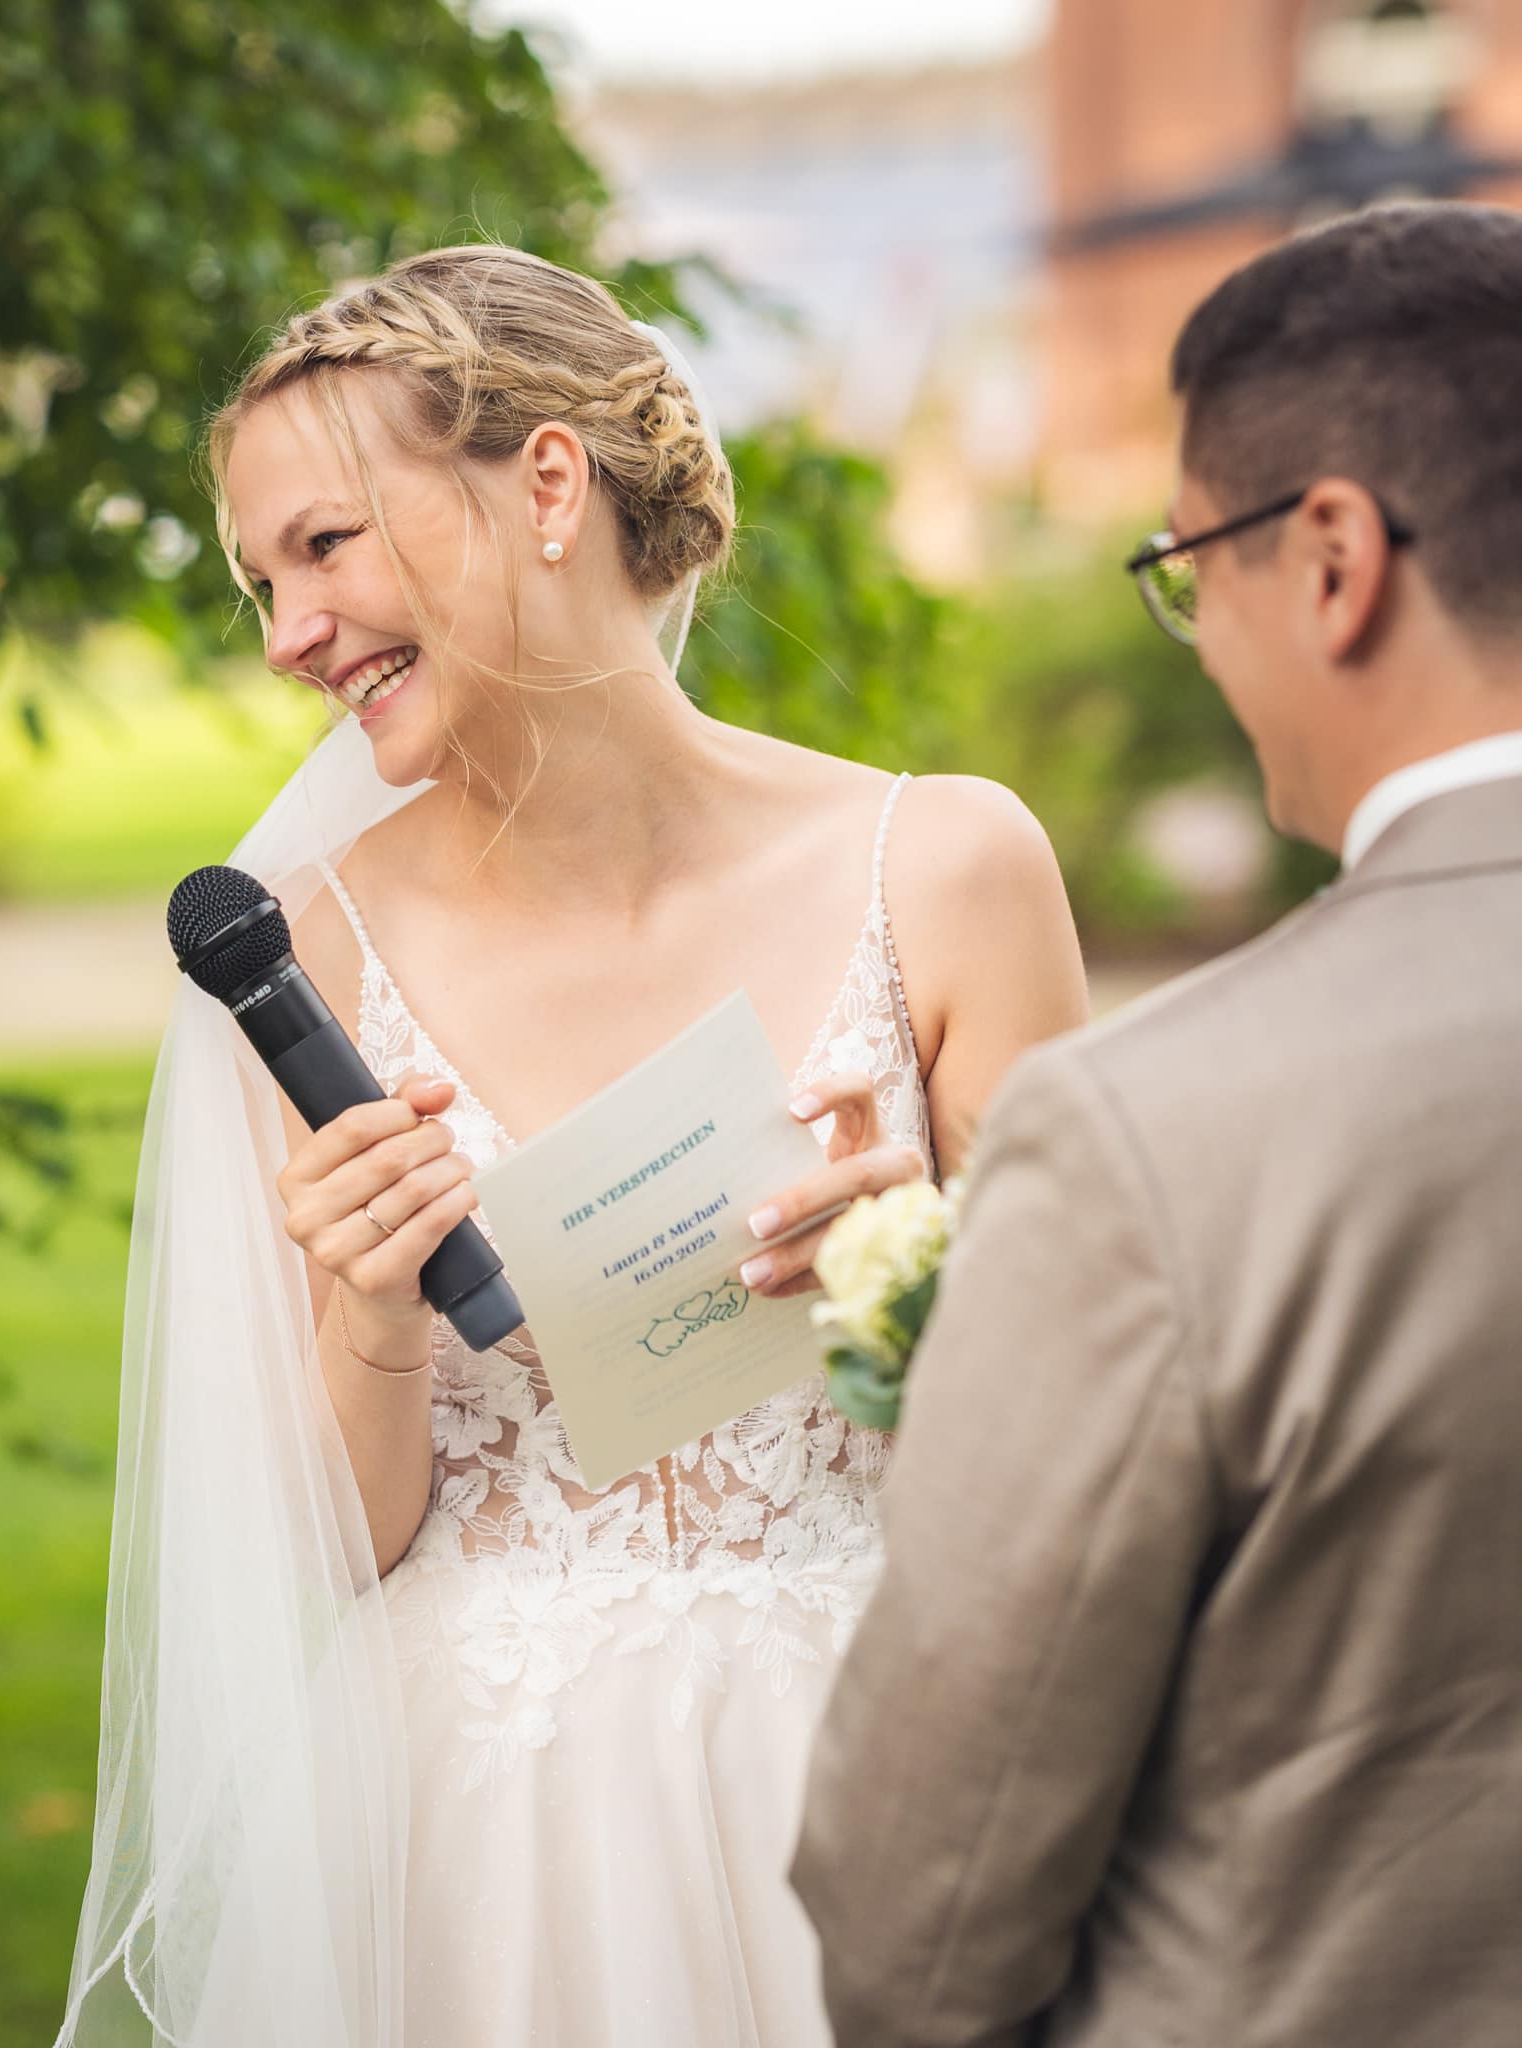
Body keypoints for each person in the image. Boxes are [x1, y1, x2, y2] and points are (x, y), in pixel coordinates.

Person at [53, 243, 1086, 2047]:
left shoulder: (947, 871)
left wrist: (927, 1281)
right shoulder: (298, 964)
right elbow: (327, 1552)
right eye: (259, 578)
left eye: (327, 545)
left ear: (547, 484)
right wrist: (373, 1320)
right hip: (481, 1844)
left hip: (883, 1782)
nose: (289, 632)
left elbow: (1106, 1438)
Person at [791, 199, 1522, 2047]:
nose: (1194, 633)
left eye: (1191, 564)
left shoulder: (1159, 1134)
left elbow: (923, 1912)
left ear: (1336, 558)